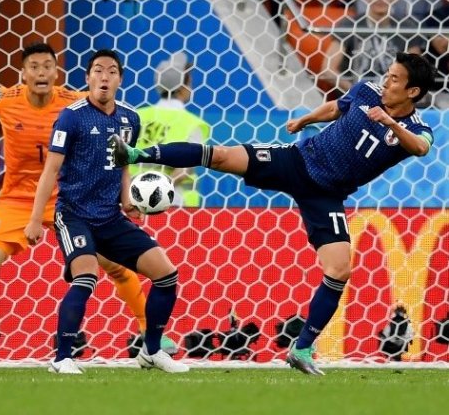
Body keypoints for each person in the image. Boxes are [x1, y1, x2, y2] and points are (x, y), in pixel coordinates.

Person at [108, 52, 436, 375]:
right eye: (388, 74)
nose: (386, 81)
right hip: (296, 161)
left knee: (339, 269)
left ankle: (302, 348)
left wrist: (389, 121)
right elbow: (338, 107)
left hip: (327, 196)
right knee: (221, 156)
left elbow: (421, 148)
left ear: (413, 92)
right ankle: (136, 152)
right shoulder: (366, 92)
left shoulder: (415, 127)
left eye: (394, 78)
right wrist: (305, 120)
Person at [0, 43, 177, 368]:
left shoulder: (71, 103)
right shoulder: (7, 99)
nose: (41, 73)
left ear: (56, 72)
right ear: (23, 74)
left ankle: (149, 332)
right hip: (18, 200)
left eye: (47, 66)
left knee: (117, 267)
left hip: (70, 198)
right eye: (34, 67)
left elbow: (103, 102)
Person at [24, 49, 189, 375]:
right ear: (87, 79)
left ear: (119, 80)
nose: (104, 77)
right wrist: (33, 219)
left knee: (167, 275)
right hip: (73, 214)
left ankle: (152, 351)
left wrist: (128, 201)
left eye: (111, 71)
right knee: (87, 276)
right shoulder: (71, 117)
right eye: (97, 71)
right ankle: (62, 359)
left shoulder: (130, 118)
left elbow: (123, 163)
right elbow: (50, 171)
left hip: (110, 216)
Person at [321, 0, 424, 93]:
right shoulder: (349, 24)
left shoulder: (406, 27)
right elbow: (327, 69)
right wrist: (356, 92)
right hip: (355, 102)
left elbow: (418, 72)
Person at [132, 52, 209, 207]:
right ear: (183, 86)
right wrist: (155, 192)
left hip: (133, 200)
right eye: (189, 81)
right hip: (174, 205)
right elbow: (185, 170)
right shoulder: (191, 123)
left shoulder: (137, 115)